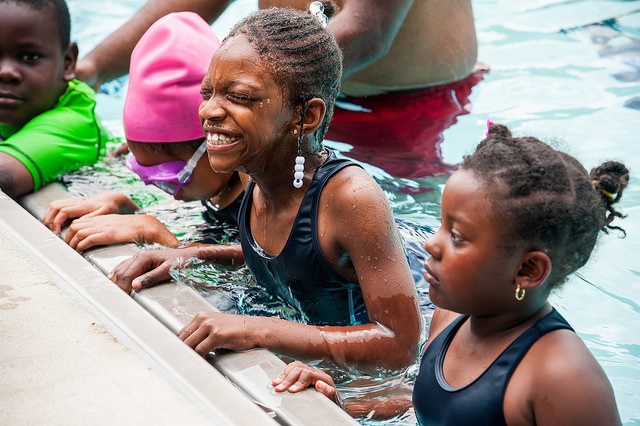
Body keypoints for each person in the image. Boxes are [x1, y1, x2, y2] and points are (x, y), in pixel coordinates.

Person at [108, 3, 422, 374]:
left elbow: (399, 347)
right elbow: (287, 262)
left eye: (239, 97)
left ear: (305, 116)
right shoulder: (250, 174)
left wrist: (260, 330)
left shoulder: (349, 199)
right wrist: (190, 256)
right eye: (207, 93)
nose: (209, 111)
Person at [272, 123, 627, 425]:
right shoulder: (452, 317)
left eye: (456, 236)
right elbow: (430, 402)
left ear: (528, 269)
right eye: (441, 226)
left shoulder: (564, 379)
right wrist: (342, 401)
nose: (432, 245)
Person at [73, 0, 482, 178]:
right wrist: (90, 70)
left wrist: (238, 104)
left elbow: (366, 31)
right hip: (283, 94)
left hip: (403, 115)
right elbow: (189, 5)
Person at [43, 12, 245, 252]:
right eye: (147, 174)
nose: (171, 193)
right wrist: (130, 208)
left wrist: (157, 234)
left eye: (169, 181)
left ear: (215, 143)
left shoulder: (267, 192)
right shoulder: (213, 177)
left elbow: (266, 268)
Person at [0, 0, 109, 199]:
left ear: (68, 63)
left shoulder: (75, 123)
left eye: (30, 57)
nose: (6, 72)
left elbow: (4, 177)